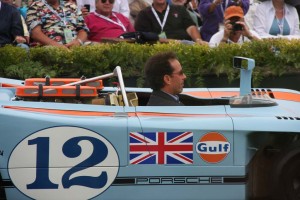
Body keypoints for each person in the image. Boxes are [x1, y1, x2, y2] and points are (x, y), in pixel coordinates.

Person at [134, 0, 206, 44]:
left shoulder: (180, 9)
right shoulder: (144, 14)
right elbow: (145, 37)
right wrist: (172, 42)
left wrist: (198, 40)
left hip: (184, 47)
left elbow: (191, 27)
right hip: (160, 51)